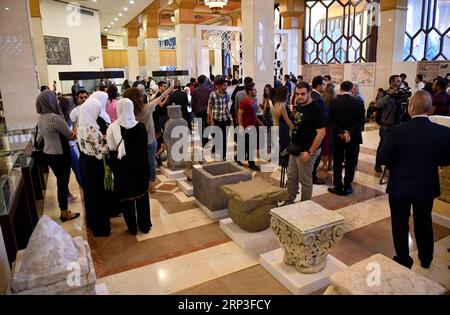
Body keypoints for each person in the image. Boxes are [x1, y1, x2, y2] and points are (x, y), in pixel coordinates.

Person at [380, 91, 450, 269]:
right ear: (429, 109)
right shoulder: (442, 132)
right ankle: (426, 258)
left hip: (400, 185)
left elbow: (383, 157)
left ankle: (404, 259)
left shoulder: (397, 131)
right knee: (424, 221)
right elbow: (446, 159)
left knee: (399, 222)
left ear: (411, 107)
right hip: (426, 185)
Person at [107, 99, 152, 236]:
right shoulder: (140, 126)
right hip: (140, 167)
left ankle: (132, 228)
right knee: (142, 198)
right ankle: (144, 225)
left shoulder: (112, 127)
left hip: (123, 168)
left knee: (127, 199)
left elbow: (111, 148)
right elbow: (144, 148)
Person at [124, 81, 174, 193]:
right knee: (151, 163)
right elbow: (162, 96)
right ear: (139, 98)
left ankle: (143, 184)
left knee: (140, 163)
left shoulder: (129, 113)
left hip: (137, 143)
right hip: (151, 141)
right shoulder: (148, 107)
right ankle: (152, 185)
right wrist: (171, 86)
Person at [36, 91, 79, 222]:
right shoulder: (55, 118)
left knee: (61, 182)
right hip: (59, 154)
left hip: (48, 153)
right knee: (62, 183)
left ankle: (64, 209)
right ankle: (64, 213)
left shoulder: (41, 118)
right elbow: (70, 135)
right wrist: (76, 127)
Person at [282, 82, 325, 204]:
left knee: (305, 180)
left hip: (307, 150)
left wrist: (310, 152)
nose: (300, 96)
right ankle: (289, 200)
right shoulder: (300, 105)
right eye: (297, 94)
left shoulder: (316, 109)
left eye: (303, 94)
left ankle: (305, 205)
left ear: (309, 93)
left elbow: (321, 133)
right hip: (295, 148)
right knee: (291, 178)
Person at [77, 97, 111, 237]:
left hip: (85, 162)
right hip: (94, 165)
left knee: (90, 195)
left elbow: (89, 145)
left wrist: (100, 139)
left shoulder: (82, 126)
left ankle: (92, 223)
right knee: (99, 196)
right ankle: (102, 229)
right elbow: (98, 153)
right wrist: (107, 144)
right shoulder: (92, 129)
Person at [328, 81, 365, 196]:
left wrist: (341, 132)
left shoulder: (333, 103)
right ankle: (348, 186)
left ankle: (338, 186)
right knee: (351, 162)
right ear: (352, 89)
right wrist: (349, 132)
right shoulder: (358, 103)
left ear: (340, 89)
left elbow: (330, 121)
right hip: (353, 138)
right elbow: (361, 122)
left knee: (337, 162)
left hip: (338, 137)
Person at [374, 75, 402, 173]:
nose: (400, 83)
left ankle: (389, 164)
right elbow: (378, 104)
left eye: (400, 81)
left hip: (397, 124)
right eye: (398, 81)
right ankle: (378, 163)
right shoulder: (384, 93)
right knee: (383, 145)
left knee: (394, 146)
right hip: (386, 125)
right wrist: (389, 95)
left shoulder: (401, 93)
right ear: (392, 82)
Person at [58, 96, 83, 191]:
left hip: (71, 146)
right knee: (77, 169)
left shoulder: (65, 117)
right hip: (70, 147)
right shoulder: (61, 119)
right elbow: (69, 135)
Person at [237, 83, 262, 172]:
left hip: (253, 126)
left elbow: (253, 114)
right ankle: (252, 164)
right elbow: (239, 114)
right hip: (246, 126)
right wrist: (241, 126)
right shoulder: (245, 102)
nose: (256, 91)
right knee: (250, 145)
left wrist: (259, 122)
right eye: (254, 90)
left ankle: (237, 158)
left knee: (247, 145)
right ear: (249, 91)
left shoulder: (253, 100)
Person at [208, 77, 232, 161]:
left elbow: (228, 107)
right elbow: (210, 107)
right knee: (218, 137)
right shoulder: (213, 94)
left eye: (226, 85)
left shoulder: (227, 95)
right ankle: (214, 149)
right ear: (219, 86)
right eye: (224, 85)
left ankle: (223, 156)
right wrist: (211, 120)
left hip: (225, 119)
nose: (226, 87)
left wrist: (230, 119)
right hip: (216, 119)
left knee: (224, 138)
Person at [310, 76, 327, 185]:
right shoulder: (318, 99)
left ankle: (309, 174)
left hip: (310, 130)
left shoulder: (310, 95)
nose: (324, 87)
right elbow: (322, 116)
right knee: (315, 154)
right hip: (316, 131)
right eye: (324, 85)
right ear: (319, 85)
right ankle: (312, 176)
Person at [272, 86, 295, 166]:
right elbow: (287, 119)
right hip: (284, 127)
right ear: (285, 94)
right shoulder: (282, 105)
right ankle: (284, 161)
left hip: (281, 126)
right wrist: (293, 128)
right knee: (285, 144)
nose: (289, 94)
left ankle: (281, 161)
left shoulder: (278, 104)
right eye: (288, 92)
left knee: (282, 144)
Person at [191, 75, 212, 146]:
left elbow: (192, 102)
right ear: (205, 81)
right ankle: (206, 139)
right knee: (207, 125)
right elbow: (210, 102)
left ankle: (203, 141)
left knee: (200, 126)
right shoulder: (209, 90)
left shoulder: (195, 91)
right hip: (206, 110)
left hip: (198, 110)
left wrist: (194, 111)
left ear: (198, 81)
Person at [321, 82, 337, 171]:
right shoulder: (336, 101)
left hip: (326, 125)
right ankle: (330, 164)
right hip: (334, 126)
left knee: (326, 145)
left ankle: (324, 164)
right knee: (332, 146)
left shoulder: (323, 100)